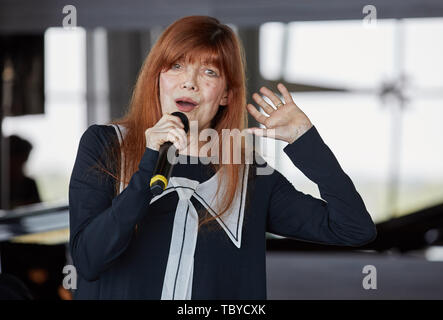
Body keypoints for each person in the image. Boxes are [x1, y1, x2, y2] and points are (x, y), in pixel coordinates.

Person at [68, 16, 377, 300]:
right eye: (176, 66)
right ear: (157, 78)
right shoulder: (106, 145)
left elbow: (354, 229)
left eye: (209, 72)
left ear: (227, 95)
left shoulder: (249, 175)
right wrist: (149, 162)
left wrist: (306, 142)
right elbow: (89, 261)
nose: (189, 82)